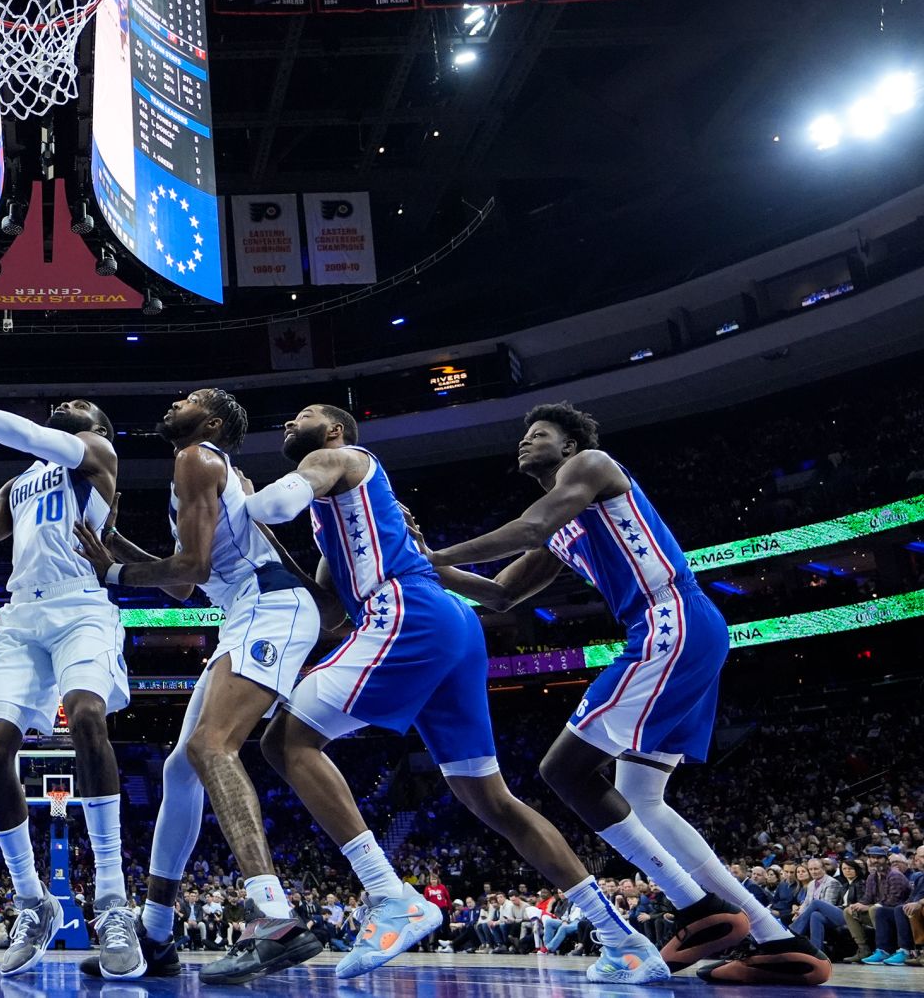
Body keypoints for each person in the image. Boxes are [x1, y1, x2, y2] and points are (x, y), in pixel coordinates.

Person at [240, 403, 670, 983]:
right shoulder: (341, 524)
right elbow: (329, 615)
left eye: (304, 415)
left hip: (408, 616)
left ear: (335, 431)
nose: (289, 423)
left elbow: (271, 503)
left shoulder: (337, 457)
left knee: (284, 742)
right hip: (450, 626)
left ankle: (390, 896)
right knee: (490, 801)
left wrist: (234, 498)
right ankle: (623, 939)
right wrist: (270, 548)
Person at [424, 401, 831, 986]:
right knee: (641, 797)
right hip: (682, 633)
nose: (525, 441)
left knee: (564, 769)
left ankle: (700, 912)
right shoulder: (560, 519)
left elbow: (533, 525)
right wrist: (423, 565)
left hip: (672, 620)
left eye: (538, 433)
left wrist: (437, 554)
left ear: (568, 446)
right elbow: (498, 596)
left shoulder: (591, 465)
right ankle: (778, 940)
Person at [72, 388, 324, 985]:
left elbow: (194, 569)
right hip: (245, 610)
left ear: (210, 422)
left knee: (213, 748)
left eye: (187, 400)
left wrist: (113, 571)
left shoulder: (196, 457)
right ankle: (156, 937)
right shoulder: (202, 469)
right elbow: (186, 588)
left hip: (271, 606)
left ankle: (274, 918)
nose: (171, 405)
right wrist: (117, 545)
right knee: (179, 769)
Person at [0, 397, 140, 977]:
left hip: (81, 605)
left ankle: (111, 901)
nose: (65, 404)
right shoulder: (21, 481)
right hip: (20, 616)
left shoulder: (97, 454)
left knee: (85, 716)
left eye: (80, 404)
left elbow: (31, 435)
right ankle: (32, 899)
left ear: (98, 427)